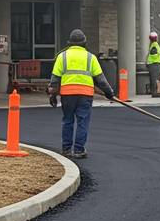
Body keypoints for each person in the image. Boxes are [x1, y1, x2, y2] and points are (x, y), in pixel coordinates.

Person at [47, 29, 115, 159]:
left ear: (70, 43)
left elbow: (54, 80)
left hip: (67, 94)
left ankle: (66, 149)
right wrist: (109, 93)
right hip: (85, 94)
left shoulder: (62, 57)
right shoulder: (91, 57)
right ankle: (79, 150)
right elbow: (101, 80)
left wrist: (53, 95)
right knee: (83, 121)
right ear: (84, 43)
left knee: (68, 121)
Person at [145, 30, 160, 97]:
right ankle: (155, 93)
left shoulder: (153, 45)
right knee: (155, 79)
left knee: (153, 79)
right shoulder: (155, 45)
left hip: (153, 64)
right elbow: (154, 54)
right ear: (156, 38)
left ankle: (154, 92)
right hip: (154, 64)